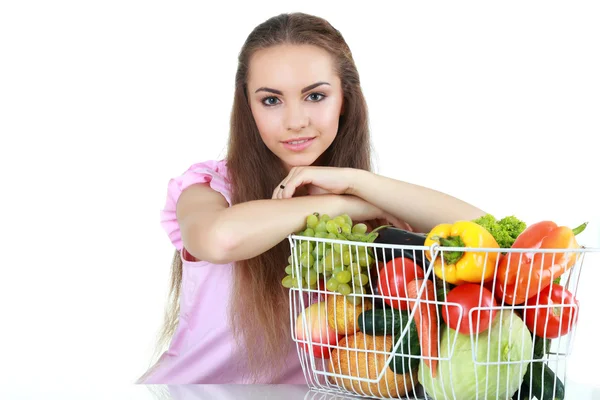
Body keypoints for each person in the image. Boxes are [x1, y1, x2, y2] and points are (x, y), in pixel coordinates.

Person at [136, 12, 486, 385]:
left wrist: (355, 182)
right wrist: (340, 205)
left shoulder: (364, 194)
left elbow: (485, 232)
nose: (295, 120)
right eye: (271, 100)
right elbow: (220, 239)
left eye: (315, 96)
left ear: (344, 100)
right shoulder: (210, 187)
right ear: (248, 107)